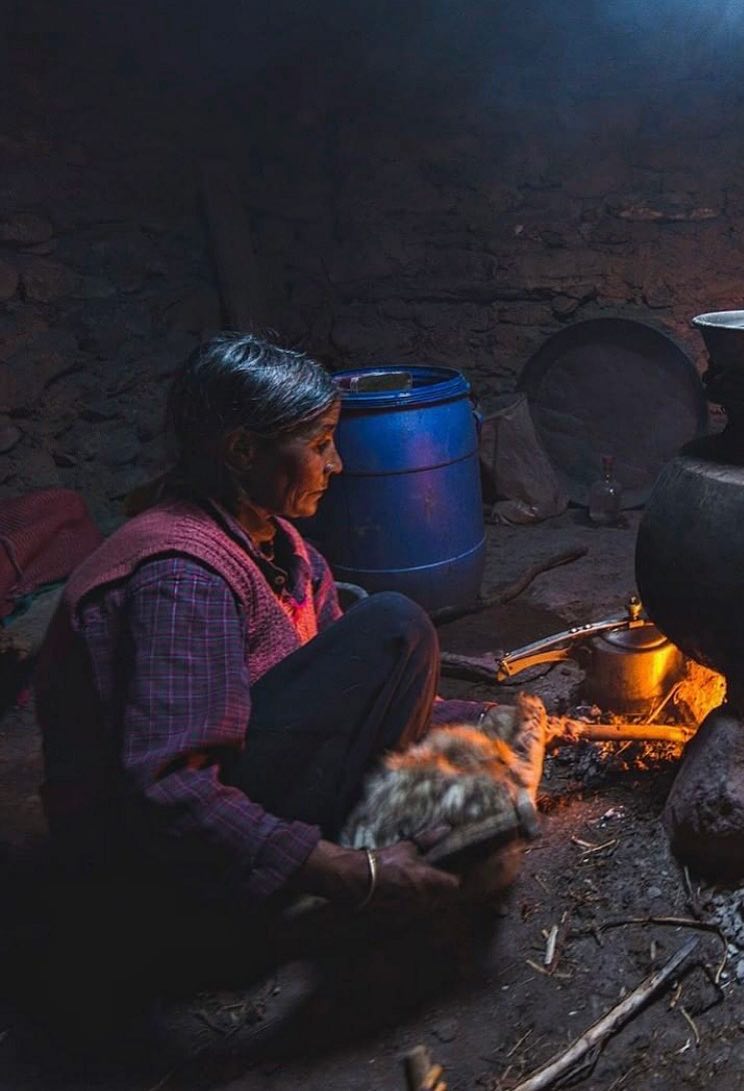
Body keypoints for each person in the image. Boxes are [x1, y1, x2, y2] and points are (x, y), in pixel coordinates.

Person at [32, 333, 460, 1009]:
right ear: (241, 451)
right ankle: (260, 915)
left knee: (395, 651)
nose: (338, 463)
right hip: (152, 881)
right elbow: (168, 789)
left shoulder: (277, 545)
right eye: (319, 443)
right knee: (396, 624)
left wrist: (478, 722)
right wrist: (354, 872)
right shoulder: (183, 575)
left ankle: (329, 859)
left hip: (229, 808)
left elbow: (337, 691)